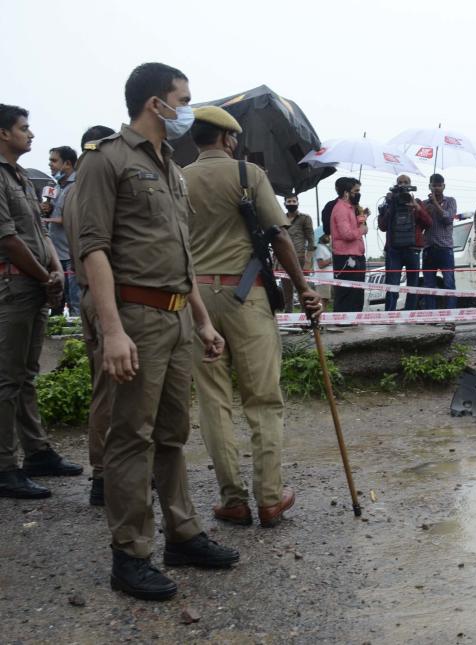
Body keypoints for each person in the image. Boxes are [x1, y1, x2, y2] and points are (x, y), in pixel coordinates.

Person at [75, 62, 239, 601]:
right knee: (131, 437)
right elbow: (93, 248)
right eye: (183, 99)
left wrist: (202, 317)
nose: (187, 109)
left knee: (171, 435)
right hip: (136, 317)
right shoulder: (107, 161)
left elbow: (181, 255)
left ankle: (182, 533)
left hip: (175, 317)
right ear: (155, 103)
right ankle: (131, 554)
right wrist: (113, 330)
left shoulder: (172, 166)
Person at [183, 106, 323, 527]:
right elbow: (279, 234)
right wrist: (303, 288)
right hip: (248, 296)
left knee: (213, 401)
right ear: (228, 139)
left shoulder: (178, 178)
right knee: (262, 398)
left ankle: (233, 499)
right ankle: (268, 498)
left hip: (196, 301)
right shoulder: (248, 175)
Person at [0, 104, 81, 500]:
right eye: (23, 128)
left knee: (26, 375)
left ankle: (36, 452)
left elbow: (40, 232)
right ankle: (3, 467)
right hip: (12, 288)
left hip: (31, 285)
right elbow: (8, 239)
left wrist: (53, 271)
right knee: (7, 379)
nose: (30, 135)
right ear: (3, 133)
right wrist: (42, 274)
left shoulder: (20, 177)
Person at [63, 124, 117, 506]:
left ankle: (104, 473)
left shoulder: (72, 190)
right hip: (103, 297)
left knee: (104, 385)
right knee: (112, 389)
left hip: (86, 295)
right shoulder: (94, 187)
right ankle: (105, 475)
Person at [378, 174, 431, 311]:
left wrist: (417, 208)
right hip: (394, 250)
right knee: (392, 285)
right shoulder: (390, 202)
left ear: (410, 184)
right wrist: (391, 206)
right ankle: (389, 315)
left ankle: (410, 314)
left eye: (405, 182)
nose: (402, 185)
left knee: (413, 285)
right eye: (400, 182)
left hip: (413, 249)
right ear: (396, 184)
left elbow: (429, 223)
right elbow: (382, 226)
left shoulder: (417, 202)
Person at [43, 146, 80, 315]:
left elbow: (72, 217)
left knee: (75, 304)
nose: (50, 164)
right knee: (56, 302)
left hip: (71, 254)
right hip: (56, 254)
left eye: (54, 160)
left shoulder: (78, 185)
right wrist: (47, 208)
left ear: (68, 163)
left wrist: (44, 220)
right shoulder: (56, 186)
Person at [422, 173, 458, 310]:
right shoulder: (425, 204)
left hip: (445, 249)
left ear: (444, 186)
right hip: (429, 249)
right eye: (434, 185)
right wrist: (422, 208)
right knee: (428, 286)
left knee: (449, 284)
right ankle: (431, 316)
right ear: (429, 186)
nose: (436, 188)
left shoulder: (451, 201)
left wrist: (436, 204)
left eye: (439, 185)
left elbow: (448, 219)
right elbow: (421, 223)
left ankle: (450, 317)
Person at [330, 177, 366, 312]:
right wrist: (362, 230)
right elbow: (347, 234)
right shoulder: (341, 209)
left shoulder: (352, 208)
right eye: (356, 191)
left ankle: (354, 322)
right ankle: (343, 322)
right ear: (346, 193)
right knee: (347, 294)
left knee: (356, 294)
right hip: (346, 257)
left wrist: (361, 219)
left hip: (356, 254)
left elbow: (355, 228)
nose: (358, 194)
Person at [281, 194, 315, 313]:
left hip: (300, 258)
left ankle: (305, 317)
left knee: (303, 289)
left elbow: (311, 241)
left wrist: (308, 262)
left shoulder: (305, 218)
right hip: (283, 259)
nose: (291, 203)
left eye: (293, 201)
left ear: (298, 202)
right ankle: (289, 318)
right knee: (286, 291)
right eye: (289, 201)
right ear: (285, 203)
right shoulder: (280, 218)